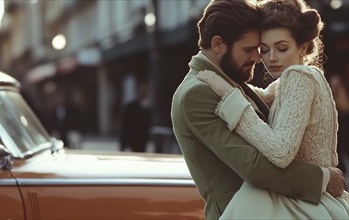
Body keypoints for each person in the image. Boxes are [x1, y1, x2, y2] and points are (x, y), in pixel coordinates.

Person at [170, 0, 346, 219]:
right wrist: (323, 178)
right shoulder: (199, 92)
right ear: (217, 44)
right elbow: (255, 167)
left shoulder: (229, 80)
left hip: (280, 207)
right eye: (251, 50)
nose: (258, 58)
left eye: (259, 49)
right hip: (249, 210)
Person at [119, 83, 151, 152]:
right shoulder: (131, 107)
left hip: (142, 140)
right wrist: (123, 143)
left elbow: (147, 125)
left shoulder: (147, 108)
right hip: (134, 140)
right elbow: (125, 125)